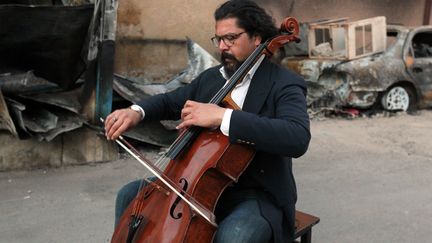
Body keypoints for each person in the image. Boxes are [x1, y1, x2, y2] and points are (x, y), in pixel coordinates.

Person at [104, 0, 310, 242]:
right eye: (218, 39)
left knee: (235, 236)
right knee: (129, 194)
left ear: (257, 38)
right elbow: (171, 101)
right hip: (196, 186)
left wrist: (223, 116)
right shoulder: (212, 79)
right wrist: (136, 111)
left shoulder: (283, 83)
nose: (222, 47)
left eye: (231, 38)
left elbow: (297, 137)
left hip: (255, 193)